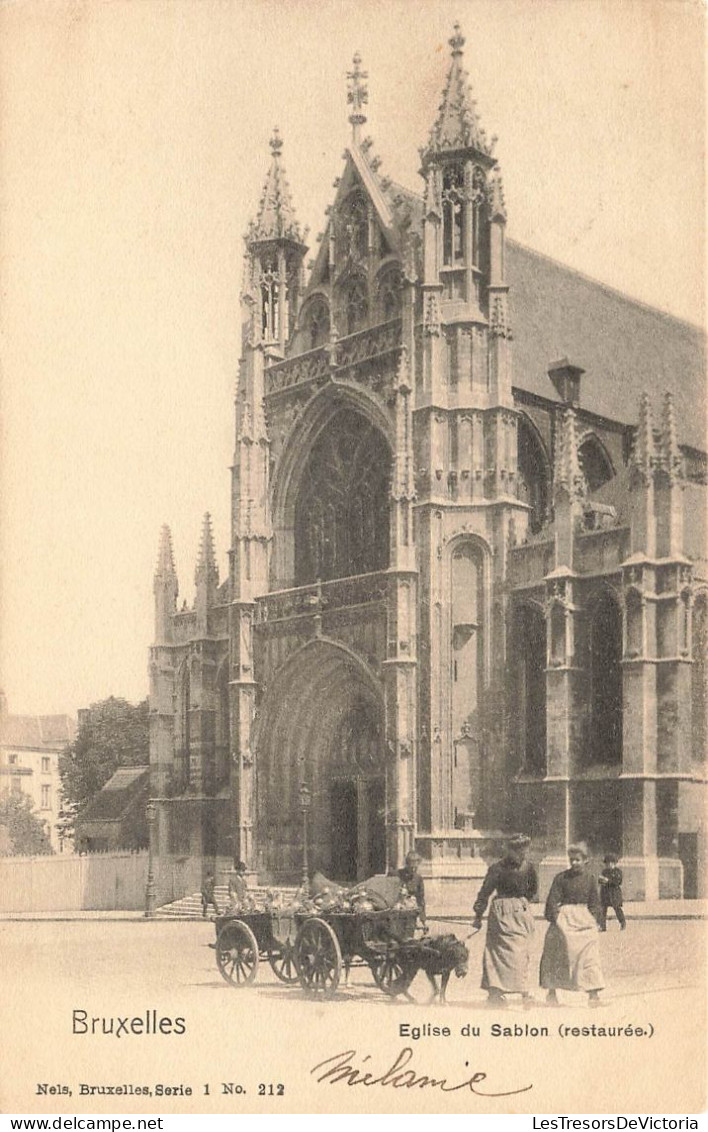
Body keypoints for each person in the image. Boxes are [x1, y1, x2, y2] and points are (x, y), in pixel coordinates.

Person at [472, 834, 538, 1008]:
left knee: (521, 952)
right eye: (517, 850)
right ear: (510, 851)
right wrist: (478, 916)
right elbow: (485, 892)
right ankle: (496, 993)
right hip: (501, 913)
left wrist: (521, 903)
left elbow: (533, 890)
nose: (522, 854)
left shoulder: (529, 868)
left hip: (520, 912)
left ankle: (524, 992)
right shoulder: (497, 869)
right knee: (497, 954)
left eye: (525, 849)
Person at [540, 842, 604, 1007]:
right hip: (564, 919)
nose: (574, 863)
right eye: (572, 860)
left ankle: (593, 994)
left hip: (584, 919)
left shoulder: (590, 879)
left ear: (585, 860)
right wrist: (555, 918)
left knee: (590, 956)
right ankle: (552, 992)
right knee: (555, 950)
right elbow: (552, 900)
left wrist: (595, 919)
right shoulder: (561, 878)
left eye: (578, 860)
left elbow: (595, 902)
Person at [398, 851, 426, 926]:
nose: (413, 870)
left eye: (415, 867)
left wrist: (423, 920)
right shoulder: (398, 874)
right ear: (407, 864)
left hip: (411, 908)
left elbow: (421, 898)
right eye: (411, 867)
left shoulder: (418, 878)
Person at [598, 853, 626, 931]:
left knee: (617, 908)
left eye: (611, 863)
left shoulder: (618, 871)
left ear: (614, 863)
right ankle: (602, 926)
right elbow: (600, 881)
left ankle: (622, 922)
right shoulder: (604, 871)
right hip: (605, 893)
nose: (609, 865)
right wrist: (601, 880)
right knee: (603, 910)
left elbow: (619, 881)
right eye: (607, 863)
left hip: (614, 893)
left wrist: (608, 881)